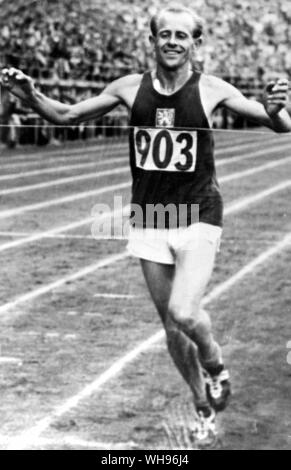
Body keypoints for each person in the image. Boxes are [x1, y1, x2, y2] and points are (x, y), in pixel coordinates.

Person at [1, 4, 290, 447]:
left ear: (196, 44)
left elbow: (279, 126)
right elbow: (66, 117)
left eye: (182, 35)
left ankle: (214, 362)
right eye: (165, 34)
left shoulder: (210, 88)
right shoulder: (128, 88)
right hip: (151, 218)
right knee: (172, 330)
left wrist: (275, 110)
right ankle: (202, 406)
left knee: (185, 312)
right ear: (152, 41)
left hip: (198, 214)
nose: (173, 41)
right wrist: (31, 96)